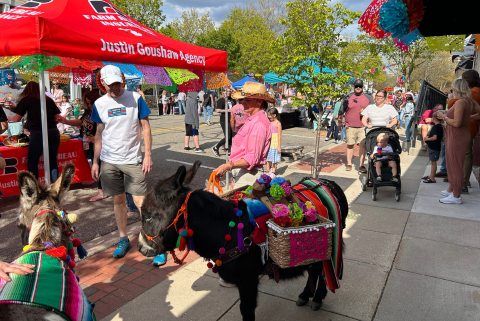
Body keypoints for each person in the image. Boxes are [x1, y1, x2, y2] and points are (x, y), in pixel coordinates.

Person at [90, 65, 155, 263]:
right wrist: (95, 162)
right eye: (111, 85)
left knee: (140, 202)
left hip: (132, 159)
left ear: (122, 81)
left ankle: (152, 240)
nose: (115, 88)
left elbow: (145, 127)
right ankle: (123, 238)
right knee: (118, 201)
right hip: (109, 161)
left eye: (117, 84)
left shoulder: (135, 99)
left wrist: (148, 155)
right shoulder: (99, 103)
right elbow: (99, 134)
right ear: (103, 84)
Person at [214, 81, 274, 188]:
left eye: (248, 100)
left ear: (259, 102)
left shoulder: (259, 123)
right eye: (243, 100)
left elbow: (252, 157)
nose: (243, 103)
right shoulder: (253, 119)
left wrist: (228, 166)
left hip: (249, 174)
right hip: (243, 172)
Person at [58, 91, 108, 202]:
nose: (90, 105)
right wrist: (66, 121)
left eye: (92, 103)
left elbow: (109, 128)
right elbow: (81, 122)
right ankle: (100, 187)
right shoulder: (88, 112)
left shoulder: (102, 111)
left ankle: (102, 191)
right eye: (87, 103)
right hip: (87, 142)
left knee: (99, 166)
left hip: (100, 143)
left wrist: (95, 138)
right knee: (96, 166)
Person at [436, 79, 480, 204]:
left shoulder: (461, 102)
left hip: (457, 135)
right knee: (452, 164)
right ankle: (452, 189)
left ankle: (456, 195)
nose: (451, 91)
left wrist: (443, 117)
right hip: (457, 134)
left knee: (455, 166)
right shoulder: (469, 101)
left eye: (452, 89)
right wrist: (469, 117)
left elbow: (456, 123)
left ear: (457, 89)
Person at [9, 81, 60, 180]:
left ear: (27, 89)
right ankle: (56, 189)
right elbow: (57, 118)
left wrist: (8, 118)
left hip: (37, 133)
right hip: (53, 131)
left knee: (32, 162)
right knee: (52, 161)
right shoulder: (48, 99)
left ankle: (35, 190)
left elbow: (16, 119)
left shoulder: (26, 99)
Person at [338, 79, 374, 172]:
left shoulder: (368, 98)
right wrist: (339, 122)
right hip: (350, 125)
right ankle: (349, 163)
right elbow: (341, 110)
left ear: (363, 87)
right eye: (356, 86)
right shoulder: (348, 97)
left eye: (360, 86)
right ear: (353, 87)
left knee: (362, 145)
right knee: (350, 145)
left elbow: (373, 110)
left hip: (363, 126)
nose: (358, 88)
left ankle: (361, 165)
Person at [459, 70, 480, 193]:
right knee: (467, 154)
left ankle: (463, 183)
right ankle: (463, 180)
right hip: (472, 126)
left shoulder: (472, 93)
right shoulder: (476, 91)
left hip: (467, 127)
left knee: (465, 154)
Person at [211, 89, 235, 157]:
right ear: (224, 92)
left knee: (230, 137)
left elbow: (238, 94)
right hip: (224, 120)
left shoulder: (232, 99)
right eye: (227, 91)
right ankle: (216, 148)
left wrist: (232, 88)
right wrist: (228, 110)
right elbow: (217, 110)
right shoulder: (221, 100)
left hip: (232, 119)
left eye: (230, 92)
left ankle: (229, 151)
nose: (229, 93)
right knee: (227, 137)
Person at [422, 112, 443, 183]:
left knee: (433, 163)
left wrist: (426, 139)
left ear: (433, 119)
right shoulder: (440, 126)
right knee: (433, 162)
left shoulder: (435, 127)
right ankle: (431, 175)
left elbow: (434, 137)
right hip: (435, 147)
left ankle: (432, 178)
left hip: (434, 147)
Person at [0, 71, 24, 136]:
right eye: (8, 79)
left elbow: (25, 106)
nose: (10, 81)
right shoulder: (0, 88)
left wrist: (15, 105)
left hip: (16, 122)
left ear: (15, 79)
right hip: (2, 122)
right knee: (3, 143)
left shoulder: (20, 90)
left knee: (17, 143)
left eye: (12, 79)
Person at [266, 108, 282, 174]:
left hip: (275, 141)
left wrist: (279, 146)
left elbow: (279, 135)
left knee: (274, 157)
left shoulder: (278, 123)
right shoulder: (269, 123)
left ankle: (273, 171)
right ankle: (273, 167)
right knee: (268, 157)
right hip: (270, 140)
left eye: (270, 115)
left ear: (274, 115)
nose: (269, 116)